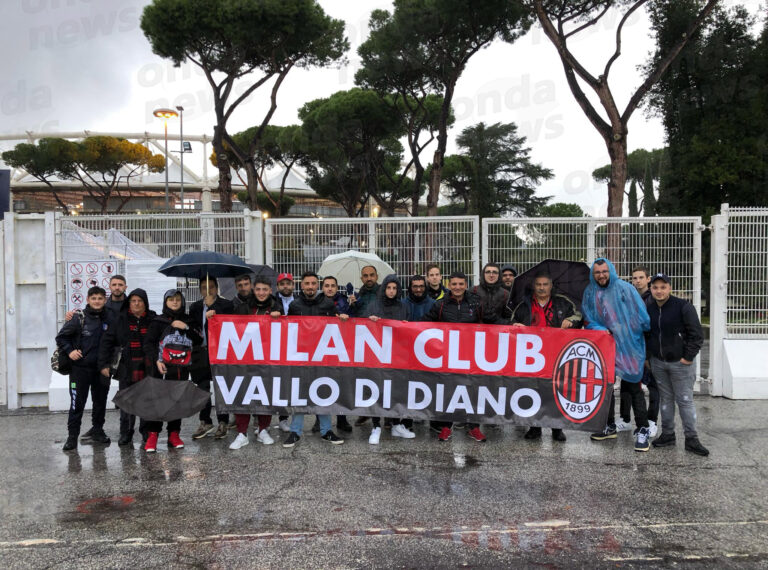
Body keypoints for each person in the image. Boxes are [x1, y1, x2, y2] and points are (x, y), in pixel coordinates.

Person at [582, 258, 652, 452]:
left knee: (633, 388)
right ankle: (609, 425)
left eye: (604, 271)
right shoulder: (590, 292)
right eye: (597, 272)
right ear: (593, 274)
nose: (601, 275)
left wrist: (624, 329)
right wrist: (600, 328)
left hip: (629, 346)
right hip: (605, 345)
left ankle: (643, 429)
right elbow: (587, 317)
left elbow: (642, 317)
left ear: (610, 271)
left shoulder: (625, 288)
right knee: (607, 387)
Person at [511, 272, 582, 442]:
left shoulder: (563, 303)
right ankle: (534, 427)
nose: (542, 288)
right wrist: (515, 325)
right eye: (538, 284)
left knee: (555, 391)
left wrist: (571, 320)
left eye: (545, 284)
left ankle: (557, 429)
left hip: (556, 354)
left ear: (551, 286)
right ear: (534, 286)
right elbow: (511, 323)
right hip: (531, 357)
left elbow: (579, 316)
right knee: (532, 390)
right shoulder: (523, 305)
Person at [645, 273, 709, 456]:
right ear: (651, 289)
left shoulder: (683, 307)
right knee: (665, 400)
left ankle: (691, 438)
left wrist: (687, 358)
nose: (659, 291)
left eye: (663, 287)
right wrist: (649, 357)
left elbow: (696, 335)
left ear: (669, 288)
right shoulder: (649, 308)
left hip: (681, 364)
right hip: (658, 363)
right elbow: (647, 334)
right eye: (655, 287)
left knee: (685, 401)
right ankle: (668, 434)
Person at [422, 271, 488, 443]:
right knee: (447, 390)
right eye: (454, 284)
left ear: (466, 285)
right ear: (449, 285)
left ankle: (473, 427)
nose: (457, 287)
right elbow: (425, 323)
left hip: (471, 355)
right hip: (447, 356)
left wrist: (513, 326)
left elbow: (491, 320)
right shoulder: (441, 304)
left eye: (461, 284)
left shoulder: (476, 303)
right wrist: (404, 326)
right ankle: (446, 426)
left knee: (472, 391)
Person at [282, 271, 345, 448]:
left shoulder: (327, 304)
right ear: (301, 286)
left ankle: (326, 431)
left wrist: (343, 320)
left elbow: (336, 329)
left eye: (313, 284)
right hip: (301, 357)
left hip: (322, 357)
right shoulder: (294, 305)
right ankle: (295, 431)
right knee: (300, 394)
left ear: (317, 286)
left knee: (323, 393)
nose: (310, 287)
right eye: (307, 284)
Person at [142, 289, 203, 453]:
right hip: (161, 369)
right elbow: (148, 343)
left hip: (180, 370)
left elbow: (198, 339)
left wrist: (186, 327)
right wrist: (156, 359)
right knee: (158, 402)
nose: (174, 302)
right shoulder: (158, 321)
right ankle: (153, 435)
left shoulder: (189, 319)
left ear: (182, 302)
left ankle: (174, 434)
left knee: (177, 402)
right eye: (171, 300)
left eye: (177, 299)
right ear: (165, 302)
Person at [56, 286, 113, 451]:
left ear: (105, 300)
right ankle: (72, 437)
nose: (97, 301)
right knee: (76, 404)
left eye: (100, 298)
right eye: (93, 298)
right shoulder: (78, 318)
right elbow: (61, 337)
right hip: (79, 370)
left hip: (101, 370)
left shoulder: (110, 319)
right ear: (88, 300)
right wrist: (70, 351)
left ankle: (97, 431)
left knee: (100, 403)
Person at [229, 277, 282, 450]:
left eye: (265, 289)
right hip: (244, 359)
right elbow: (230, 328)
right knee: (242, 393)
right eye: (258, 289)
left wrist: (278, 317)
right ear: (254, 290)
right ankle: (242, 433)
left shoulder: (276, 307)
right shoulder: (242, 308)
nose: (261, 293)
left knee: (264, 394)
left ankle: (263, 430)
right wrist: (213, 316)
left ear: (270, 290)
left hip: (267, 360)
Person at [98, 288, 156, 446]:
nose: (136, 304)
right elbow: (107, 341)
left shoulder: (153, 318)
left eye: (140, 301)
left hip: (147, 367)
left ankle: (145, 432)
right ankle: (126, 432)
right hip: (127, 367)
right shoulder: (120, 319)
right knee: (127, 401)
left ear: (145, 303)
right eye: (133, 301)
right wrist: (103, 364)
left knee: (146, 401)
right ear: (129, 303)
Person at [364, 274, 415, 444]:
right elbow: (363, 329)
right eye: (388, 288)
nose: (391, 291)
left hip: (397, 357)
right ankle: (376, 426)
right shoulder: (374, 305)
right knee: (378, 391)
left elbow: (409, 330)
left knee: (396, 391)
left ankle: (395, 425)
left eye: (394, 288)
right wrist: (370, 321)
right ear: (383, 289)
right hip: (378, 356)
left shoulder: (404, 307)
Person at [188, 277, 234, 440]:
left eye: (211, 287)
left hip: (220, 352)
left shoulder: (226, 305)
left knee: (222, 387)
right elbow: (192, 329)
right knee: (202, 387)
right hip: (201, 352)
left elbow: (231, 326)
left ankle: (223, 421)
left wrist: (213, 307)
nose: (208, 291)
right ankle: (205, 421)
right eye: (203, 288)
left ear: (217, 288)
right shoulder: (194, 307)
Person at [321, 276, 353, 434]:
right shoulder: (317, 301)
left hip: (340, 349)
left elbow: (352, 322)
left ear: (336, 288)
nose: (330, 288)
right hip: (321, 350)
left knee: (340, 385)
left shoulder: (344, 302)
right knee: (321, 384)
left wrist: (351, 308)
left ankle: (342, 419)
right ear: (322, 288)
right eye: (326, 285)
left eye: (333, 285)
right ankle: (319, 420)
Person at [630, 265, 660, 437]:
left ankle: (652, 421)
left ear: (648, 279)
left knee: (654, 385)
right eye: (635, 278)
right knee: (632, 385)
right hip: (633, 348)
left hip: (650, 350)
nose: (638, 280)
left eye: (641, 277)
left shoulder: (653, 299)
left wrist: (649, 353)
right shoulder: (631, 297)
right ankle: (627, 419)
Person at [274, 272, 296, 431]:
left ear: (293, 285)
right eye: (282, 283)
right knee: (279, 383)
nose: (285, 286)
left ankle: (295, 416)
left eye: (288, 283)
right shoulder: (271, 302)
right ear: (278, 286)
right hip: (277, 347)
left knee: (295, 383)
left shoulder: (301, 301)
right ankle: (282, 418)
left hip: (297, 347)